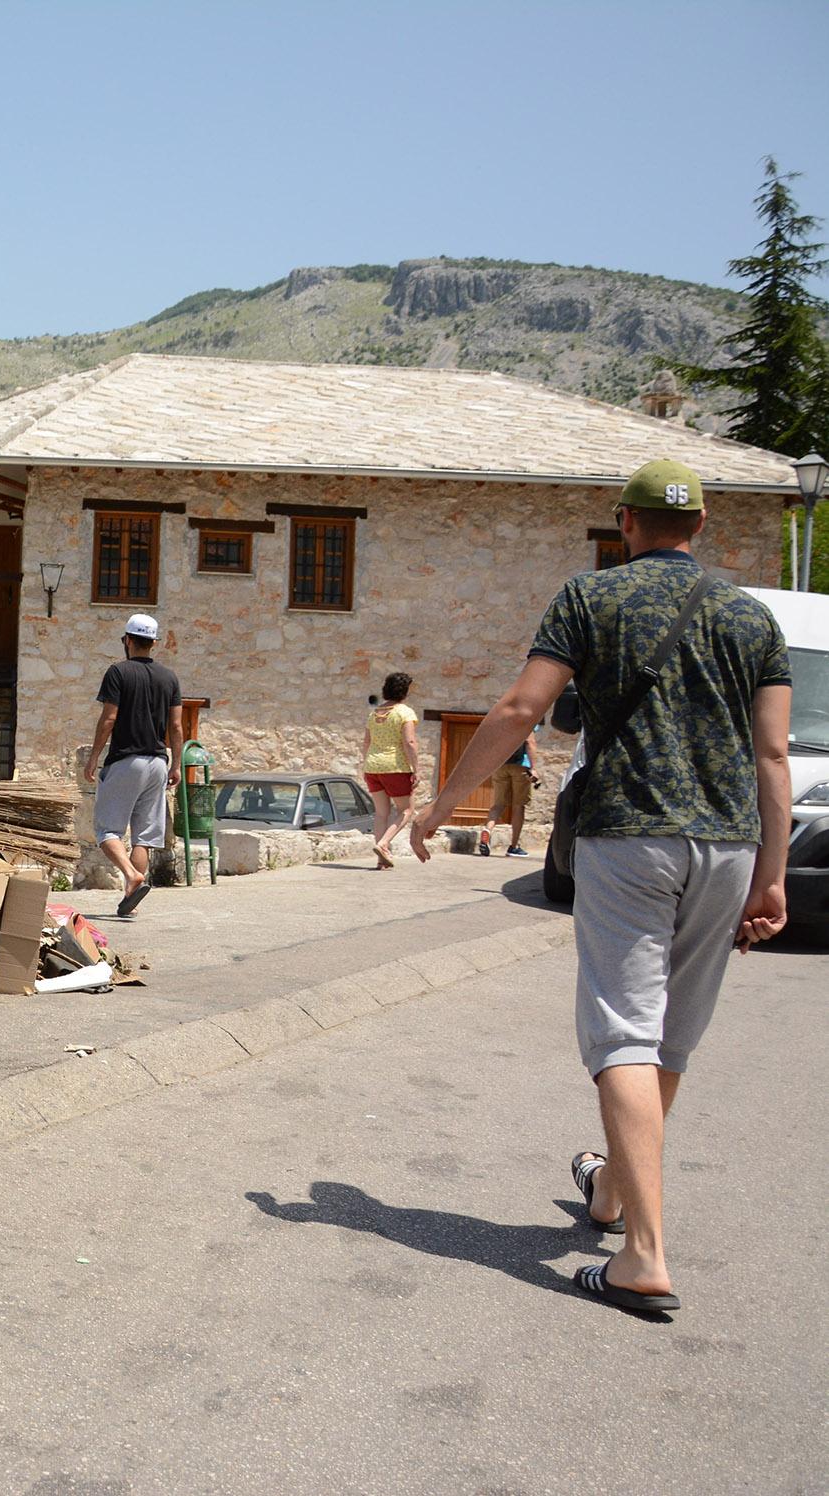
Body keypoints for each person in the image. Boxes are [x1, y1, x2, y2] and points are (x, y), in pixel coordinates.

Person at [414, 459, 791, 1317]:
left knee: (624, 1032)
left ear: (625, 522)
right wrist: (770, 875)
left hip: (629, 836)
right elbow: (772, 756)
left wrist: (441, 805)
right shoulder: (751, 614)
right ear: (700, 528)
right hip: (729, 844)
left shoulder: (590, 599)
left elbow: (518, 711)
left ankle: (643, 1257)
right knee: (671, 1040)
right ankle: (612, 1199)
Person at [82, 613, 181, 918]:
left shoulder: (118, 672)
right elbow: (176, 727)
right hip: (158, 763)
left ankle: (132, 875)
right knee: (144, 837)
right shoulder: (169, 678)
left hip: (127, 760)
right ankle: (131, 897)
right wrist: (176, 764)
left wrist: (95, 755)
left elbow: (109, 718)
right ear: (153, 643)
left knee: (106, 830)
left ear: (127, 640)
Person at [362, 673, 422, 870]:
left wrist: (367, 763)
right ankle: (384, 844)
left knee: (381, 813)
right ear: (404, 691)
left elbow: (366, 742)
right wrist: (416, 768)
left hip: (372, 767)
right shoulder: (404, 713)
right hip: (395, 767)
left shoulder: (374, 713)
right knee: (406, 810)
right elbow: (410, 742)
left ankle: (382, 860)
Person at [481, 723, 544, 857]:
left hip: (500, 766)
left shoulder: (502, 721)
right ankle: (514, 846)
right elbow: (530, 742)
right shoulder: (529, 719)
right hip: (520, 767)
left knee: (498, 804)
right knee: (518, 805)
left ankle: (488, 830)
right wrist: (533, 768)